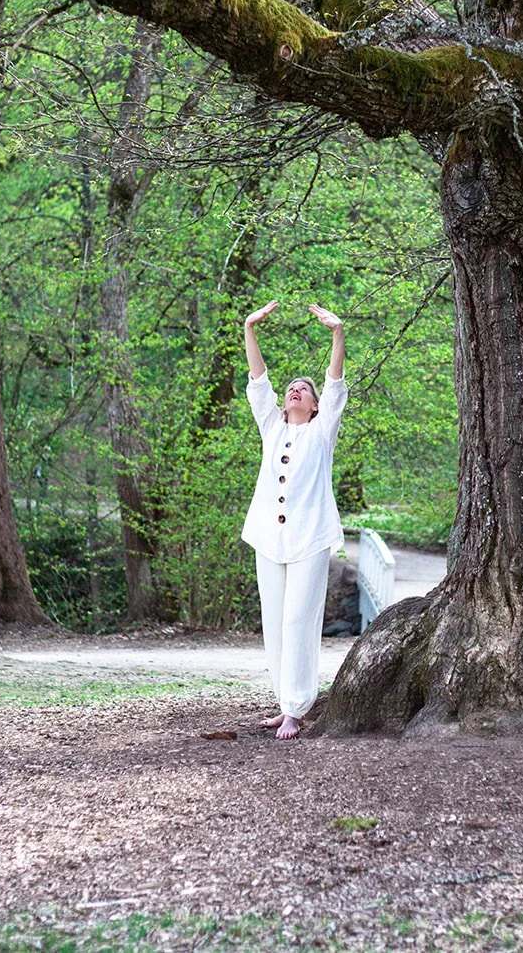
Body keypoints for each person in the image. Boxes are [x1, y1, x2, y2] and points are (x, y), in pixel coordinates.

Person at [240, 300, 347, 740]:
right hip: (268, 538)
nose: (295, 390)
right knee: (275, 621)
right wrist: (250, 327)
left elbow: (335, 382)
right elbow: (258, 381)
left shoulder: (322, 433)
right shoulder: (272, 427)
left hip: (310, 538)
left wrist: (337, 333)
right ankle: (284, 701)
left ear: (316, 406)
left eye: (304, 389)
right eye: (292, 389)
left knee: (300, 620)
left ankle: (296, 709)